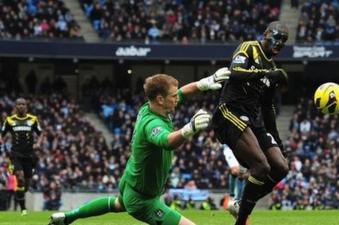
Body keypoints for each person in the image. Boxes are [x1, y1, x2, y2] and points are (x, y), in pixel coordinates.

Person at [49, 67, 230, 225]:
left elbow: (183, 92)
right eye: (173, 97)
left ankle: (69, 217)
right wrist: (189, 129)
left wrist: (205, 82)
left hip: (131, 181)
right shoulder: (151, 124)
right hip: (143, 199)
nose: (177, 99)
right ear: (160, 99)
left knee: (117, 204)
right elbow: (167, 141)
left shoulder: (150, 107)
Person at [211, 21, 290, 225]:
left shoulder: (272, 67)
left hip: (253, 119)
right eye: (276, 37)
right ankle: (242, 220)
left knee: (281, 167)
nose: (279, 43)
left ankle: (240, 203)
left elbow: (266, 107)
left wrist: (279, 143)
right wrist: (265, 74)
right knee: (261, 166)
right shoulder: (249, 48)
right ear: (265, 34)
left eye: (284, 41)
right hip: (230, 111)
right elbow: (234, 73)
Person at [0, 97, 43, 215]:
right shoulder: (9, 120)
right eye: (19, 104)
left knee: (26, 185)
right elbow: (2, 134)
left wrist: (38, 143)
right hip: (16, 154)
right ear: (15, 106)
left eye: (23, 104)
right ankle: (23, 208)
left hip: (29, 155)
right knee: (20, 178)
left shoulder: (33, 119)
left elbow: (41, 133)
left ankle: (21, 197)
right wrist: (2, 141)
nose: (21, 106)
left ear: (26, 106)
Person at [221, 144, 246, 214]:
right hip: (229, 147)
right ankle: (233, 197)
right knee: (235, 171)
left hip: (238, 147)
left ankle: (237, 200)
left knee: (242, 174)